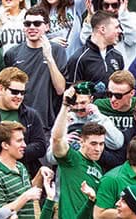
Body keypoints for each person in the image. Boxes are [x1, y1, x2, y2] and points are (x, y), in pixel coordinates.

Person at [51, 86, 105, 219]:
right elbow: (57, 139)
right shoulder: (71, 159)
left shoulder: (98, 168)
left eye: (101, 144)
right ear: (81, 142)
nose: (98, 148)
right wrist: (65, 105)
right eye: (93, 143)